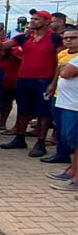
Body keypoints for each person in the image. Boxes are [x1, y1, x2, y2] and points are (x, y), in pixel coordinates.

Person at [0, 11, 63, 157]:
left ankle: (40, 142)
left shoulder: (55, 38)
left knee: (43, 112)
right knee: (23, 109)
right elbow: (2, 46)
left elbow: (60, 62)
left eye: (36, 19)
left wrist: (53, 82)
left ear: (46, 21)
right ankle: (20, 137)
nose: (32, 21)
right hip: (24, 79)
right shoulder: (24, 36)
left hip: (44, 80)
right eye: (32, 18)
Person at [43, 27, 78, 164]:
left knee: (71, 133)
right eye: (66, 38)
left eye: (73, 37)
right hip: (60, 96)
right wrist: (53, 84)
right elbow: (59, 70)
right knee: (60, 127)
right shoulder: (62, 53)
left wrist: (67, 70)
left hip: (73, 101)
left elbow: (65, 72)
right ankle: (62, 154)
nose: (68, 40)